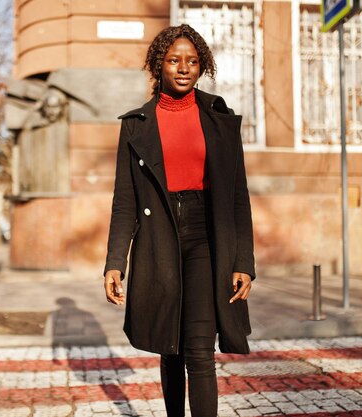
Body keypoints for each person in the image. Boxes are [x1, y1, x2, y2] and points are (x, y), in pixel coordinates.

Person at [103, 24, 255, 417]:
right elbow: (125, 201)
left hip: (207, 238)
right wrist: (115, 262)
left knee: (199, 349)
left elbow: (238, 197)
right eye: (174, 60)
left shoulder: (219, 118)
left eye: (192, 60)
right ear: (160, 65)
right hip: (159, 238)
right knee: (169, 346)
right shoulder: (136, 124)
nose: (183, 68)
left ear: (202, 64)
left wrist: (244, 262)